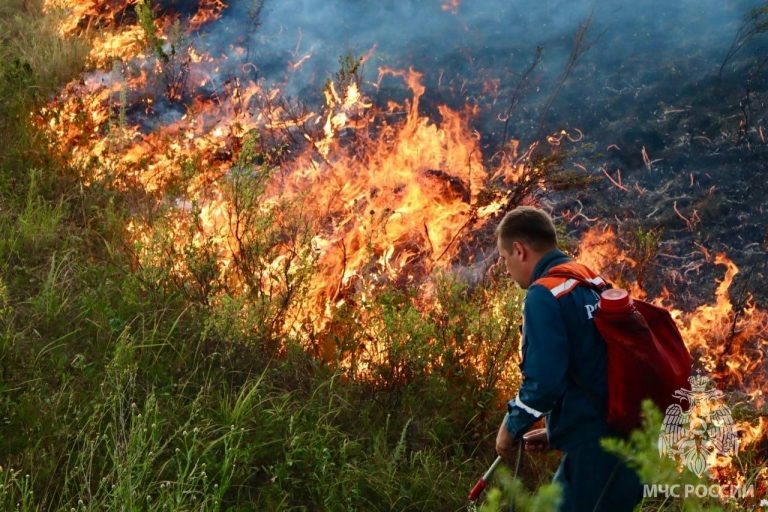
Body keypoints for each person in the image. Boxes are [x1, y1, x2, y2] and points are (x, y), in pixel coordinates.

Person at [492, 206, 642, 512]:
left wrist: (511, 427)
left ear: (519, 250)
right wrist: (557, 429)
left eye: (505, 258)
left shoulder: (544, 295)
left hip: (597, 452)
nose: (506, 269)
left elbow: (544, 383)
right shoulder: (591, 282)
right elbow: (595, 368)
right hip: (630, 440)